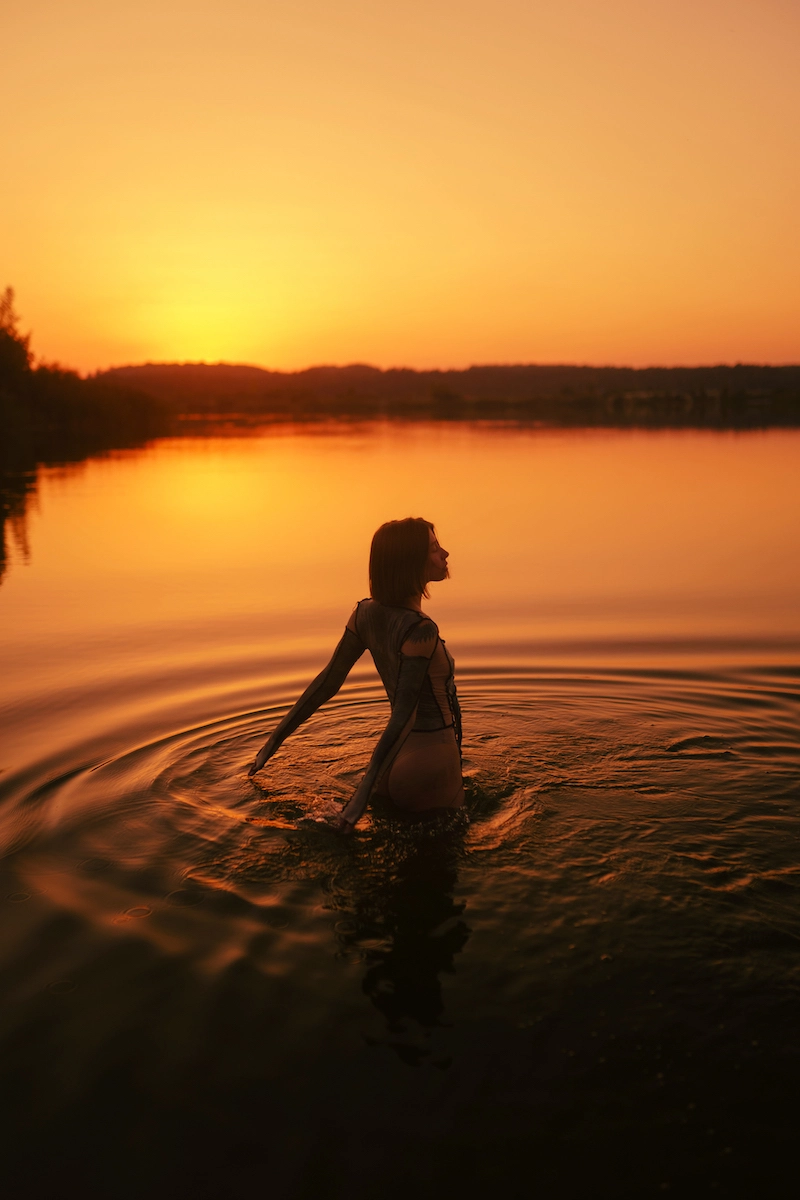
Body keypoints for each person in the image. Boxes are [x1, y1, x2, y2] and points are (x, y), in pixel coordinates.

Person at [249, 518, 463, 833]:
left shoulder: (365, 613)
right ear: (410, 563)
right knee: (437, 869)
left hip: (392, 765)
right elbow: (405, 713)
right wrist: (359, 800)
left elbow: (326, 683)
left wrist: (271, 744)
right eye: (434, 549)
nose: (445, 553)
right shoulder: (421, 630)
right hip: (429, 762)